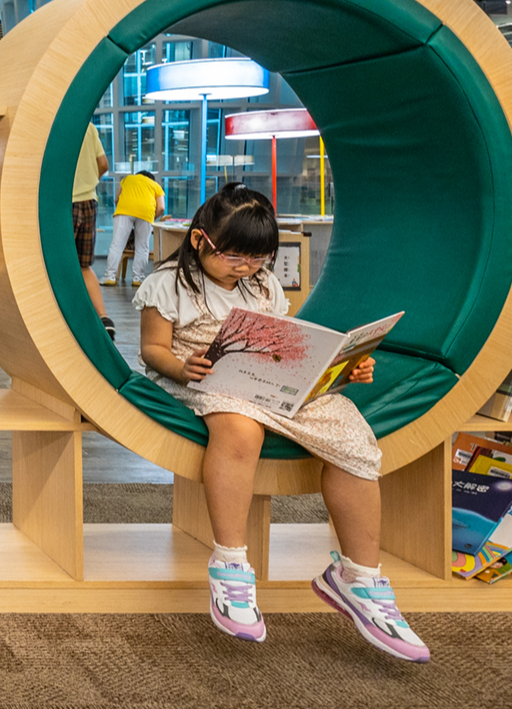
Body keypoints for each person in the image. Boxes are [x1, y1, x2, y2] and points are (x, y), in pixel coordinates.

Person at [134, 185, 427, 661]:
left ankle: (358, 578)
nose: (246, 268)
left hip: (266, 381)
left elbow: (286, 344)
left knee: (353, 437)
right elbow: (152, 350)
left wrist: (342, 371)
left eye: (258, 258)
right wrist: (181, 367)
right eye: (234, 256)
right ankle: (230, 565)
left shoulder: (263, 284)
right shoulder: (167, 283)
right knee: (240, 428)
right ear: (200, 240)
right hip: (202, 377)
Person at [72, 123, 114, 338]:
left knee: (59, 265)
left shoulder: (50, 124)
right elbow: (103, 164)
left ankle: (67, 318)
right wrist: (87, 182)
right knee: (84, 265)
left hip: (64, 204)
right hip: (89, 201)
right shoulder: (88, 126)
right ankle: (103, 317)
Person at [102, 170, 166, 287]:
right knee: (142, 247)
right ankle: (137, 279)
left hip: (124, 210)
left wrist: (124, 209)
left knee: (117, 245)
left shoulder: (128, 179)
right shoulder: (155, 185)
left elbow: (116, 199)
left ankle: (110, 277)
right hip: (146, 213)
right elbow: (161, 207)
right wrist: (152, 218)